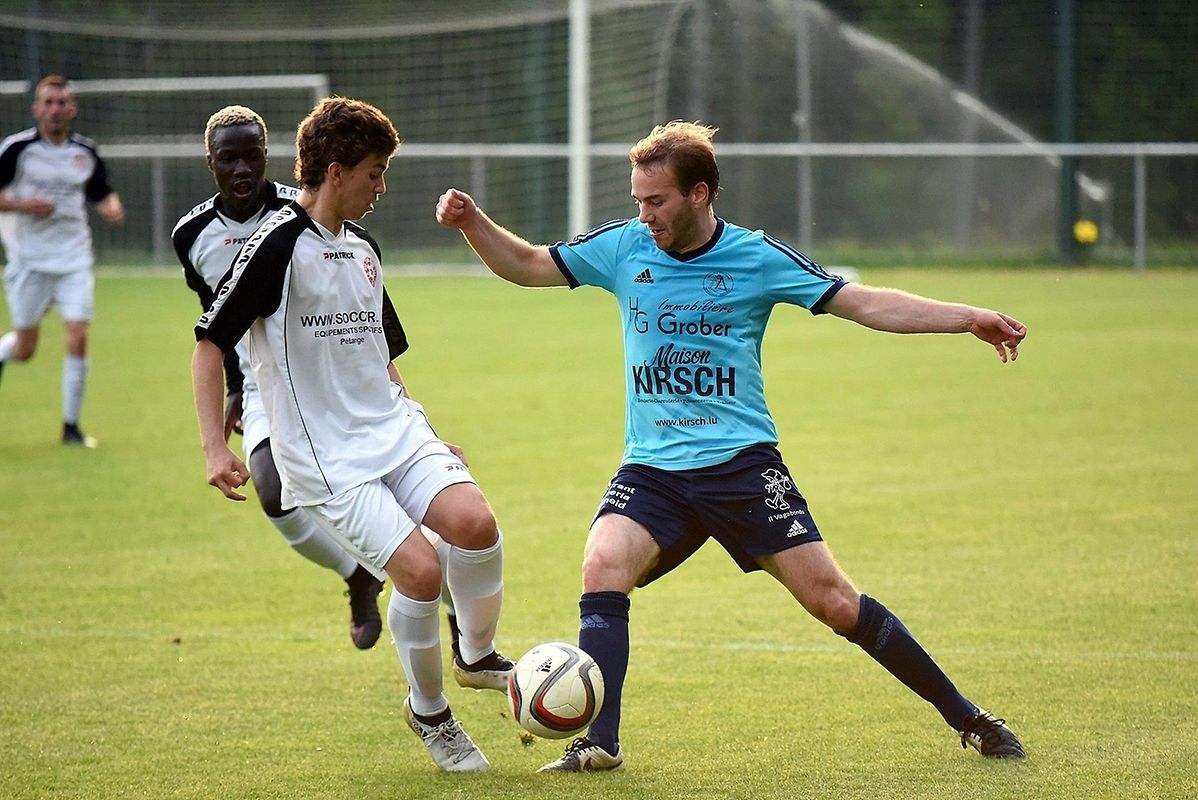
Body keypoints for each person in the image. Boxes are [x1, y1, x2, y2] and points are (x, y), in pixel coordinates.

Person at [435, 120, 1028, 773]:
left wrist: (965, 317)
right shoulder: (625, 247)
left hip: (742, 468)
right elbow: (527, 264)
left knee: (833, 601)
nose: (644, 214)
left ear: (700, 193)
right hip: (654, 469)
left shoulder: (756, 256)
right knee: (602, 566)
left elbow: (861, 303)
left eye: (656, 200)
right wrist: (472, 223)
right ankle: (599, 742)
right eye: (637, 199)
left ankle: (969, 717)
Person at [192, 97, 512, 773]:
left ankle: (476, 655)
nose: (381, 186)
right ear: (336, 172)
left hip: (393, 430)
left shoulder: (364, 247)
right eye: (374, 172)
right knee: (421, 573)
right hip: (324, 456)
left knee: (475, 524)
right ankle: (430, 714)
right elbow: (208, 344)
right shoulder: (273, 246)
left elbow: (379, 353)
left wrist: (425, 431)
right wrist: (215, 446)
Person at [0, 74, 125, 446]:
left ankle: (70, 427)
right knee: (25, 349)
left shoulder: (84, 152)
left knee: (78, 334)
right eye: (48, 102)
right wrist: (24, 205)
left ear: (72, 109)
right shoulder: (18, 150)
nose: (55, 110)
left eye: (61, 103)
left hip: (73, 257)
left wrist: (112, 207)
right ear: (37, 108)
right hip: (29, 259)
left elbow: (102, 193)